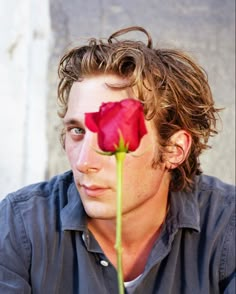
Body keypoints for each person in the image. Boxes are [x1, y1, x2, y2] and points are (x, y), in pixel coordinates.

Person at [0, 26, 235, 294]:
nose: (83, 162)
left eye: (111, 137)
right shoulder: (20, 225)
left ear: (174, 149)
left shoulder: (227, 226)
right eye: (77, 131)